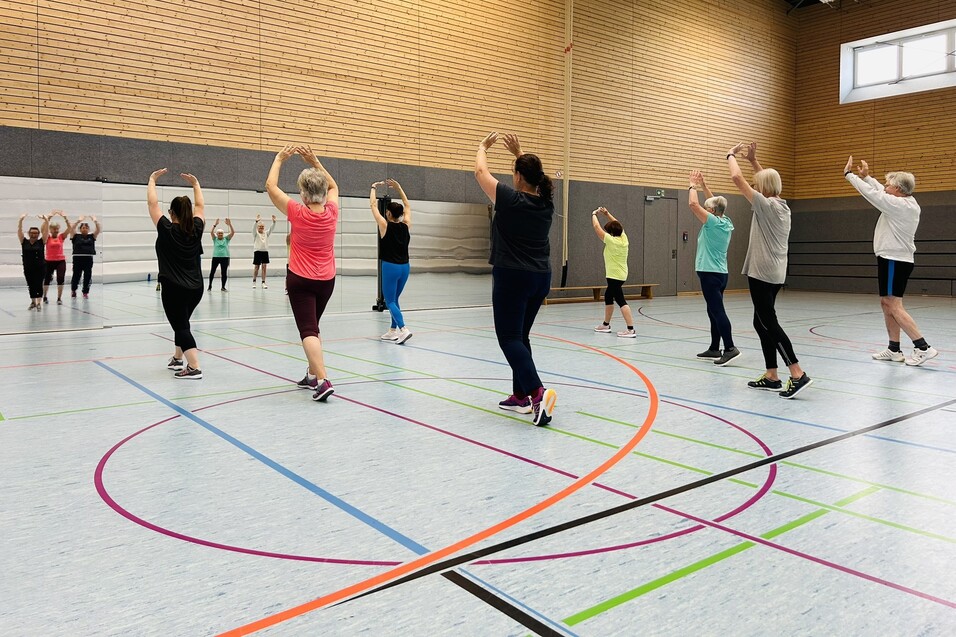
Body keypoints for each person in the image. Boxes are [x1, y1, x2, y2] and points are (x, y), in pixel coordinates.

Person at [475, 131, 557, 426]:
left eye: (515, 172)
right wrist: (519, 153)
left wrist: (482, 147)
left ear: (519, 177)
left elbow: (480, 171)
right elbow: (534, 177)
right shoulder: (546, 204)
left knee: (508, 338)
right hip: (540, 278)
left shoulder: (510, 199)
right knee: (521, 335)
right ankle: (520, 395)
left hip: (513, 276)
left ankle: (537, 394)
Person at [729, 142, 812, 399]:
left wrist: (730, 154)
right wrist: (754, 161)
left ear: (763, 189)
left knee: (769, 323)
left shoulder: (766, 206)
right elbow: (765, 181)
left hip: (762, 273)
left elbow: (736, 178)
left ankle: (797, 373)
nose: (753, 187)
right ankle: (771, 375)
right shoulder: (781, 205)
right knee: (760, 321)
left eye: (757, 185)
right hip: (774, 273)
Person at [844, 156, 937, 366]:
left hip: (894, 259)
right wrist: (867, 177)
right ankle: (894, 349)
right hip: (893, 259)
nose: (885, 186)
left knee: (893, 305)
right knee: (887, 303)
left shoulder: (898, 205)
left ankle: (923, 347)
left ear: (898, 189)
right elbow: (879, 190)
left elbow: (873, 195)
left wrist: (849, 176)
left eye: (889, 184)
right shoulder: (905, 202)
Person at [265, 144, 337, 402]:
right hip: (327, 281)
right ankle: (311, 373)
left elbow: (271, 187)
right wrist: (316, 161)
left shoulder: (297, 212)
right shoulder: (332, 212)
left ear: (304, 195)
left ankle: (322, 379)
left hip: (301, 281)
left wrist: (279, 159)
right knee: (314, 328)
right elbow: (334, 187)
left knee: (308, 330)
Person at [147, 169, 206, 380]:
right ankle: (177, 357)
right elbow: (200, 206)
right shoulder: (197, 227)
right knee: (182, 323)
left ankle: (194, 366)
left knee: (181, 326)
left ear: (171, 213)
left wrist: (152, 180)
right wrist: (196, 184)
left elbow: (153, 205)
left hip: (174, 288)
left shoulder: (166, 229)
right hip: (196, 288)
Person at [688, 170, 739, 366]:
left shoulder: (712, 223)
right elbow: (714, 202)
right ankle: (714, 348)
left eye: (707, 208)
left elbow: (693, 204)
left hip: (710, 274)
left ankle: (730, 348)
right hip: (720, 273)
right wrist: (704, 186)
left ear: (711, 212)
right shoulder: (725, 221)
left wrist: (692, 185)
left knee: (717, 311)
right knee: (712, 310)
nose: (705, 207)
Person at [370, 178, 413, 343]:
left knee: (390, 301)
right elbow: (407, 205)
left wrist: (373, 188)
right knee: (395, 299)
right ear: (401, 214)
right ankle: (392, 330)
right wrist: (399, 187)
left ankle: (403, 329)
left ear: (388, 213)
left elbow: (373, 206)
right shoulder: (406, 224)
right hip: (405, 268)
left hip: (390, 267)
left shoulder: (384, 225)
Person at [590, 206, 635, 338]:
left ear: (611, 233)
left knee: (620, 300)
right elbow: (618, 225)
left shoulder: (611, 241)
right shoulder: (623, 238)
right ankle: (605, 325)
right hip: (620, 274)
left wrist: (594, 214)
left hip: (615, 276)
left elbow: (597, 228)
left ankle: (630, 329)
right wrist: (607, 214)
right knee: (608, 295)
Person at [18, 214, 48, 310]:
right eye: (32, 233)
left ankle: (39, 302)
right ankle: (33, 302)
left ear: (38, 234)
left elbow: (46, 232)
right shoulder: (24, 242)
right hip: (28, 267)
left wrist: (46, 220)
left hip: (40, 267)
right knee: (30, 284)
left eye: (35, 233)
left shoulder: (41, 242)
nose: (33, 234)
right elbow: (19, 232)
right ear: (29, 233)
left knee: (39, 284)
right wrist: (21, 220)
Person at [42, 210, 69, 305]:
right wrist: (47, 218)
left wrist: (65, 218)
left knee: (61, 278)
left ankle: (59, 298)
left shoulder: (61, 237)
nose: (56, 230)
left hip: (60, 261)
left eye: (57, 229)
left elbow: (70, 229)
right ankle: (44, 296)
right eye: (54, 229)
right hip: (49, 261)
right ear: (50, 229)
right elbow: (43, 229)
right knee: (47, 278)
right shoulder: (47, 238)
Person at [69, 215, 100, 299]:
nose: (84, 228)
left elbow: (98, 230)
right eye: (83, 227)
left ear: (88, 229)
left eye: (86, 227)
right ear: (80, 229)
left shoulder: (91, 237)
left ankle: (85, 292)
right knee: (76, 275)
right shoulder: (76, 236)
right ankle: (73, 290)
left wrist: (95, 221)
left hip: (88, 259)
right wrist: (78, 221)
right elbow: (71, 229)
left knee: (87, 276)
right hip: (78, 258)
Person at [208, 218, 234, 291]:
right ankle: (210, 286)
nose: (220, 234)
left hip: (225, 258)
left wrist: (230, 225)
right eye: (219, 233)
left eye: (221, 233)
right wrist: (215, 225)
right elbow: (211, 232)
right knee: (212, 271)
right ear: (217, 234)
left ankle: (223, 287)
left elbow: (233, 233)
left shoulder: (226, 239)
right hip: (216, 257)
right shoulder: (215, 239)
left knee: (224, 272)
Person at [252, 214, 276, 288]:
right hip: (258, 251)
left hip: (265, 251)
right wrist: (256, 221)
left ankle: (263, 282)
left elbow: (271, 229)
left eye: (262, 227)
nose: (261, 228)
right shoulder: (256, 234)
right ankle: (254, 281)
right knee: (257, 267)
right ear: (258, 227)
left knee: (264, 267)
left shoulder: (266, 233)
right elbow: (253, 228)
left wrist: (274, 222)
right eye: (260, 226)